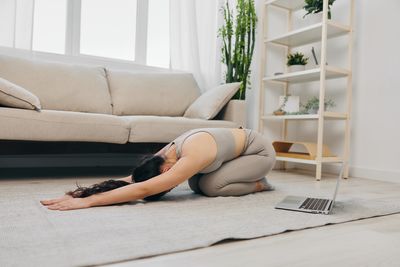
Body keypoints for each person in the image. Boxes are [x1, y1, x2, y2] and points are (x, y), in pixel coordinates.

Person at [40, 127, 276, 211]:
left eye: (169, 184)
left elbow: (141, 190)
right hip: (231, 155)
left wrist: (89, 203)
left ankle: (260, 182)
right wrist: (83, 193)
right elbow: (133, 180)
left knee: (210, 186)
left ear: (164, 173)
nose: (173, 185)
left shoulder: (191, 155)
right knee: (196, 184)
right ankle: (244, 173)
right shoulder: (164, 155)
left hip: (259, 152)